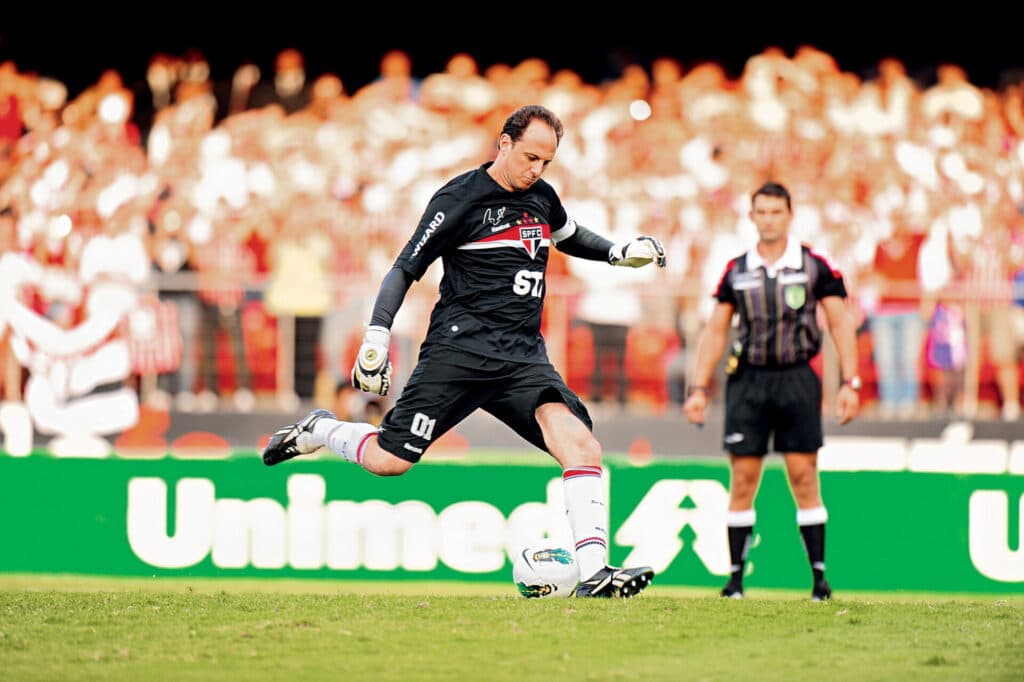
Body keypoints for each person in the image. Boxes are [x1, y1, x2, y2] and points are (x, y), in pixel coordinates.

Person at [262, 105, 665, 598]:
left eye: (547, 162)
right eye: (531, 157)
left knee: (583, 447)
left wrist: (617, 253)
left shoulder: (542, 196)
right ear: (504, 143)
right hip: (460, 351)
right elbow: (404, 268)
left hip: (522, 356)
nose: (537, 169)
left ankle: (595, 574)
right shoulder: (459, 199)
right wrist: (376, 337)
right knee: (389, 461)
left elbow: (568, 236)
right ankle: (320, 429)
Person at [682, 181, 860, 601]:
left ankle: (819, 580)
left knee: (803, 475)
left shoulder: (814, 265)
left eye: (776, 212)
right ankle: (735, 581)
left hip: (798, 378)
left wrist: (850, 382)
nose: (769, 220)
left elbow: (840, 323)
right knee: (743, 479)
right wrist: (699, 388)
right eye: (761, 212)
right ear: (751, 216)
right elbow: (716, 330)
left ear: (790, 215)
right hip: (749, 380)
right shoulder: (736, 269)